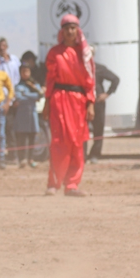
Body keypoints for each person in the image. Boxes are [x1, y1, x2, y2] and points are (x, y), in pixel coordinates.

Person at [44, 14, 95, 197]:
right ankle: (54, 183)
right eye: (67, 28)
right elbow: (50, 80)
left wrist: (90, 103)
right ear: (62, 31)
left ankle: (72, 184)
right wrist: (48, 102)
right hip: (59, 99)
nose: (70, 31)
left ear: (78, 30)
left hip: (79, 102)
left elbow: (90, 80)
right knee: (59, 143)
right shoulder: (54, 53)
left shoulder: (85, 54)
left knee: (77, 143)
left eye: (73, 28)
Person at [86, 49, 120, 163]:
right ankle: (81, 155)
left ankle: (95, 154)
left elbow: (115, 79)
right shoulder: (79, 68)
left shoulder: (99, 68)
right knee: (82, 130)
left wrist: (108, 94)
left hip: (98, 103)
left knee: (98, 129)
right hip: (83, 103)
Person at [14, 64, 42, 168]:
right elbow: (19, 98)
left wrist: (26, 94)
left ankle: (31, 159)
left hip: (32, 115)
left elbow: (40, 95)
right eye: (23, 72)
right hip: (22, 116)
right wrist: (31, 97)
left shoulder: (34, 85)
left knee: (32, 138)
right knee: (22, 138)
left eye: (27, 71)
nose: (25, 74)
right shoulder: (18, 86)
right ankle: (22, 159)